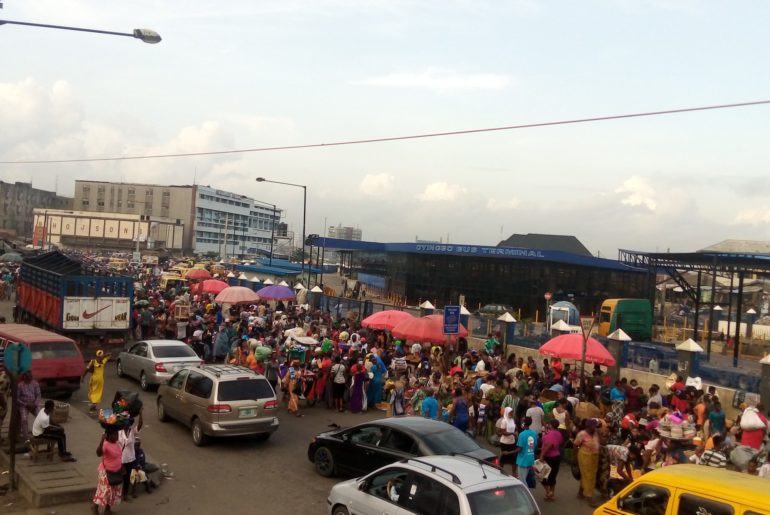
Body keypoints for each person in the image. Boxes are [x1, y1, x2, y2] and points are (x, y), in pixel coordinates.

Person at [93, 429, 123, 514]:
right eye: (115, 434)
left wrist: (121, 466)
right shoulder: (105, 444)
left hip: (116, 471)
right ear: (109, 436)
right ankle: (94, 507)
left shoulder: (117, 444)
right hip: (106, 472)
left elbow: (119, 456)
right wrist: (102, 440)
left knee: (112, 492)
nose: (117, 436)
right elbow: (98, 453)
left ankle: (107, 510)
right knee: (103, 491)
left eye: (117, 434)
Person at [574, 419, 600, 504]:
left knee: (589, 475)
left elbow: (600, 442)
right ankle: (589, 496)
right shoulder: (582, 434)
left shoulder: (595, 433)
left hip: (594, 457)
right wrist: (575, 458)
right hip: (585, 456)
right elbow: (575, 445)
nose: (595, 428)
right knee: (589, 476)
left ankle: (580, 492)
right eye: (593, 427)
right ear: (588, 427)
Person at [119, 412, 142, 501]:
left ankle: (125, 495)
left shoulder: (132, 431)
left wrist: (140, 413)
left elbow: (140, 424)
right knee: (119, 478)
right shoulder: (118, 432)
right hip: (120, 459)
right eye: (125, 422)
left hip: (130, 459)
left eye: (128, 422)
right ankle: (117, 495)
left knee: (127, 477)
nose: (127, 423)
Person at [540, 419, 564, 501]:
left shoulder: (551, 434)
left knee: (542, 476)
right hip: (556, 456)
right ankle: (551, 494)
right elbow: (559, 443)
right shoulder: (558, 433)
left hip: (549, 457)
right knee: (552, 476)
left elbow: (549, 446)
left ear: (551, 425)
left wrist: (542, 456)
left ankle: (548, 492)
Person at [18, 371, 41, 442]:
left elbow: (38, 395)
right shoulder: (20, 385)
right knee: (24, 419)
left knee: (41, 417)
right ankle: (26, 437)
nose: (30, 378)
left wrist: (35, 404)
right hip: (24, 405)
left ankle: (39, 433)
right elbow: (16, 398)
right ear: (24, 377)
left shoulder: (35, 384)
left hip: (34, 404)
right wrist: (26, 404)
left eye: (31, 377)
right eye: (28, 377)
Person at [516, 416, 538, 488]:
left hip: (523, 460)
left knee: (522, 481)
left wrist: (509, 452)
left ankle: (525, 496)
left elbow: (519, 449)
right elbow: (534, 446)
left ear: (523, 423)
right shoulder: (534, 433)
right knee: (526, 478)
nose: (521, 423)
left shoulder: (521, 434)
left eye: (522, 421)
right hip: (530, 459)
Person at [496, 407, 518, 476]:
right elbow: (503, 432)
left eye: (512, 412)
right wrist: (512, 433)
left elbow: (515, 428)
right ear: (507, 412)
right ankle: (500, 471)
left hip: (512, 441)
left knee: (514, 458)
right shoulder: (504, 421)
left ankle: (514, 473)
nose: (512, 414)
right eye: (510, 412)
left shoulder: (512, 420)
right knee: (503, 458)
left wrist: (516, 432)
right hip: (504, 442)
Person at [0, 370, 9, 445]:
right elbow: (0, 392)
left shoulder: (7, 377)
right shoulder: (4, 378)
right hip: (1, 403)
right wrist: (3, 404)